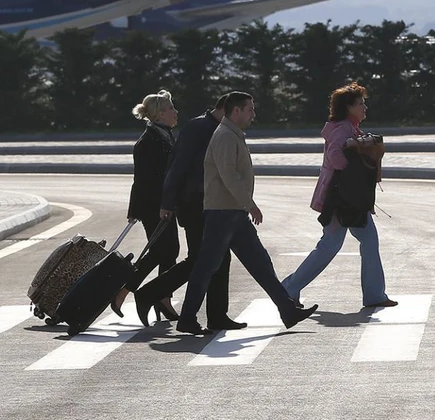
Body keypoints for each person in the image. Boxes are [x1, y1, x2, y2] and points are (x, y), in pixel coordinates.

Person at [175, 92, 318, 335]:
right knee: (206, 267)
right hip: (222, 212)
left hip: (233, 213)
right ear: (236, 111)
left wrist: (244, 205)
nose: (253, 114)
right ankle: (187, 318)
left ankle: (287, 309)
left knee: (261, 263)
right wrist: (250, 204)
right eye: (250, 109)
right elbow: (228, 174)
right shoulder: (225, 137)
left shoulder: (232, 135)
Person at [128, 94, 246, 330]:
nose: (176, 112)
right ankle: (152, 295)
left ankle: (215, 315)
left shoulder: (208, 129)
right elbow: (174, 169)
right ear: (228, 110)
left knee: (216, 259)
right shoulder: (199, 129)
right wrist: (168, 204)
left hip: (208, 204)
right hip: (195, 206)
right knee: (201, 260)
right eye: (248, 110)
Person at [282, 82, 397, 309]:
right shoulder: (342, 128)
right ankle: (289, 289)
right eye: (360, 104)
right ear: (348, 107)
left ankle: (374, 294)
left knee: (368, 240)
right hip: (341, 199)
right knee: (330, 245)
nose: (365, 108)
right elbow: (335, 156)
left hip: (351, 200)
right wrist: (354, 173)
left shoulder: (351, 128)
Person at [111, 90, 181, 320]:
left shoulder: (164, 135)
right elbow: (142, 180)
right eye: (171, 109)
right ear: (160, 115)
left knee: (169, 252)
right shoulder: (148, 141)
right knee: (162, 251)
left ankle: (162, 298)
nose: (176, 112)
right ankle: (125, 290)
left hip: (166, 205)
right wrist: (136, 211)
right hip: (155, 207)